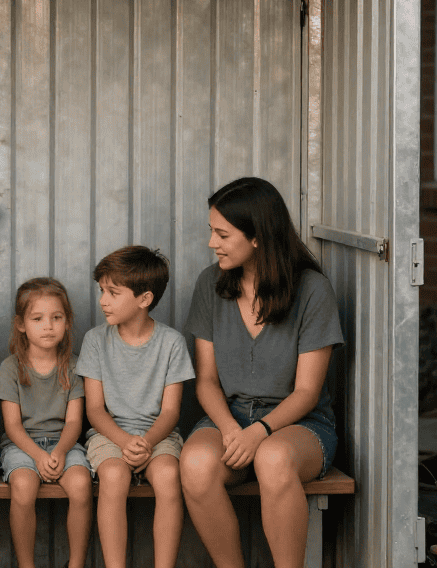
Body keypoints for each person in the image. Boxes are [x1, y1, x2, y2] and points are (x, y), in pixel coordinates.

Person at [179, 177, 344, 568]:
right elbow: (206, 380)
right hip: (229, 417)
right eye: (211, 232)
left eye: (222, 234)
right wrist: (231, 428)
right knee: (196, 464)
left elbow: (306, 392)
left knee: (272, 458)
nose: (211, 243)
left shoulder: (312, 290)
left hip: (300, 423)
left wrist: (260, 431)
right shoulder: (210, 284)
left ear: (257, 237)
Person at [77, 246, 195, 568]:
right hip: (109, 434)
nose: (103, 300)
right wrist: (125, 441)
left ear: (144, 299)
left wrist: (147, 442)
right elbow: (95, 410)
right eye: (102, 290)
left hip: (158, 434)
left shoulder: (172, 343)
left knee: (170, 476)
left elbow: (171, 411)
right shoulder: (95, 340)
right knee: (114, 476)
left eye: (113, 292)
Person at [0, 277, 93, 568]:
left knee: (80, 484)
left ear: (67, 322)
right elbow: (12, 426)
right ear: (21, 324)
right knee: (24, 488)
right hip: (21, 445)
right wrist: (38, 455)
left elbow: (75, 421)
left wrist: (60, 452)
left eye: (56, 318)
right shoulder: (11, 366)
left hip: (64, 443)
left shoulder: (74, 366)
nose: (48, 326)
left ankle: (75, 563)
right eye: (37, 318)